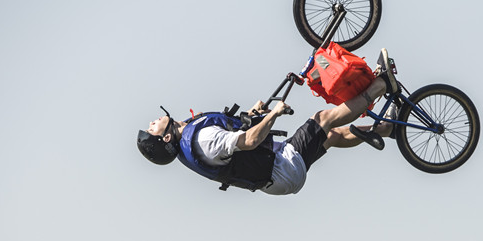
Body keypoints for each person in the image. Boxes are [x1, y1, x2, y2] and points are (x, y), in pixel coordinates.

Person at [137, 49, 399, 195]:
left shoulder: (189, 135)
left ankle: (386, 129)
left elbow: (238, 138)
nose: (152, 122)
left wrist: (250, 115)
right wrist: (274, 114)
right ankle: (380, 85)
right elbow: (250, 141)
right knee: (323, 119)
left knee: (331, 137)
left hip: (277, 179)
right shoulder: (202, 140)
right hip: (281, 167)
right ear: (166, 138)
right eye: (152, 128)